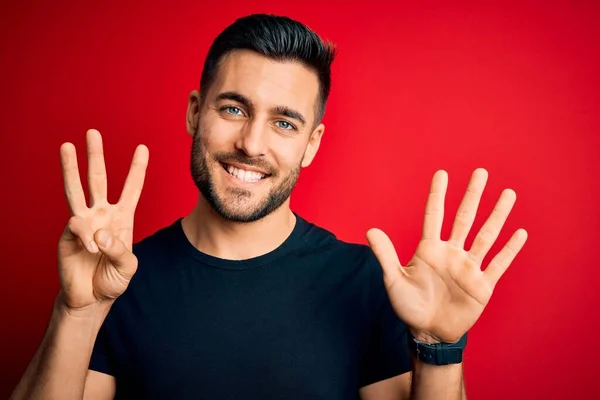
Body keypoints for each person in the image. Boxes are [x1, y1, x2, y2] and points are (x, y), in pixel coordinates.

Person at [10, 14, 527, 400]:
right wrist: (75, 312)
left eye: (284, 122)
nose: (252, 144)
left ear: (312, 143)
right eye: (233, 108)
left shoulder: (367, 283)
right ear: (196, 112)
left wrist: (437, 347)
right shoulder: (117, 280)